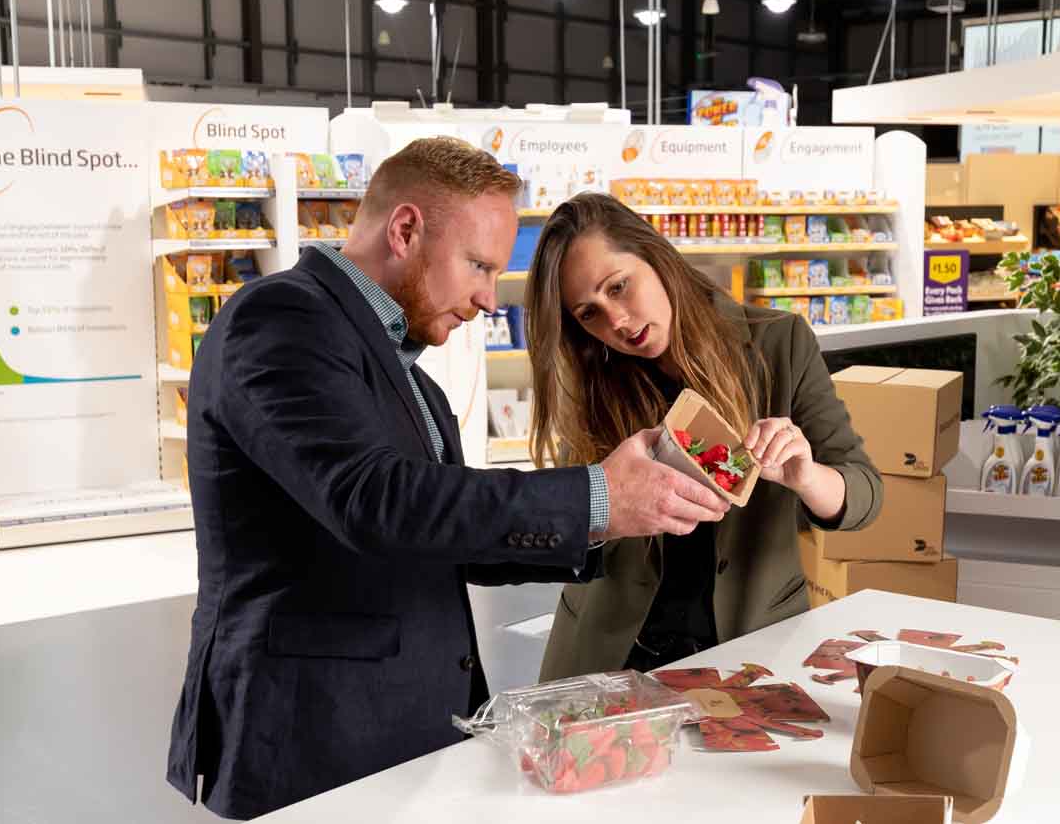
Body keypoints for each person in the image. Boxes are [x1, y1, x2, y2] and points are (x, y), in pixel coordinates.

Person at [166, 139, 730, 820]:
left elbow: (447, 538)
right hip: (312, 735)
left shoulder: (414, 382)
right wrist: (595, 493)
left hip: (409, 729)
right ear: (405, 230)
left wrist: (611, 518)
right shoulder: (281, 321)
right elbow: (371, 500)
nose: (489, 299)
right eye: (479, 266)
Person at [527, 192, 884, 680]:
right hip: (615, 655)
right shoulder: (593, 380)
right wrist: (602, 507)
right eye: (589, 313)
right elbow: (572, 534)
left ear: (655, 255)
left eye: (619, 287)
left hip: (753, 650)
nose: (619, 322)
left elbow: (865, 495)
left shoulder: (779, 343)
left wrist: (807, 477)